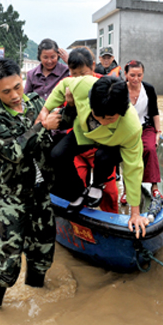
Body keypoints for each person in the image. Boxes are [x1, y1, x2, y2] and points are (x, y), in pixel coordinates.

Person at [0, 58, 71, 308]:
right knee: (7, 261)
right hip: (13, 199)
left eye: (18, 87)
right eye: (6, 91)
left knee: (42, 252)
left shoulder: (35, 102)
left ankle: (35, 298)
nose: (15, 95)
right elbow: (14, 152)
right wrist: (42, 126)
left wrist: (71, 106)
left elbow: (59, 123)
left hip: (41, 193)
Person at [45, 76, 150, 238]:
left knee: (104, 156)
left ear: (122, 112)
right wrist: (45, 110)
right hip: (85, 133)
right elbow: (64, 85)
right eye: (98, 115)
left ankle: (98, 184)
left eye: (109, 118)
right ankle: (78, 193)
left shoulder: (131, 128)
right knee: (57, 154)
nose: (102, 121)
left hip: (112, 142)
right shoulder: (84, 85)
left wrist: (135, 213)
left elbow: (133, 168)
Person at [66, 47, 119, 213]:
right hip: (79, 151)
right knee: (76, 190)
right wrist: (70, 105)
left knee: (110, 193)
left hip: (102, 150)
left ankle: (112, 222)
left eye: (84, 74)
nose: (80, 80)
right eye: (76, 75)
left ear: (93, 67)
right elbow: (64, 121)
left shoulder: (108, 85)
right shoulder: (66, 87)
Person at [120, 60, 163, 205]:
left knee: (150, 149)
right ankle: (126, 190)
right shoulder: (120, 90)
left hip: (145, 126)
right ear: (126, 75)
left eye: (139, 75)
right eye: (132, 75)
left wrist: (158, 132)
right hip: (125, 129)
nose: (136, 79)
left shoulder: (148, 89)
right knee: (128, 156)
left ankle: (154, 186)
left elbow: (155, 112)